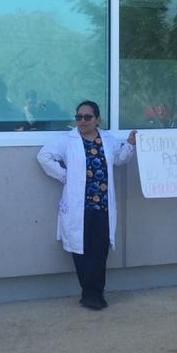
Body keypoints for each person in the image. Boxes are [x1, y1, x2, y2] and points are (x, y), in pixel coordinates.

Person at [37, 100, 136, 309]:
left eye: (87, 117)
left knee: (99, 251)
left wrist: (130, 144)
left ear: (97, 119)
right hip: (79, 206)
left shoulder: (107, 139)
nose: (82, 121)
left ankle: (96, 293)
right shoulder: (67, 140)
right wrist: (65, 176)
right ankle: (88, 293)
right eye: (79, 117)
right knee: (80, 250)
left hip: (103, 206)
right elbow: (43, 156)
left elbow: (119, 159)